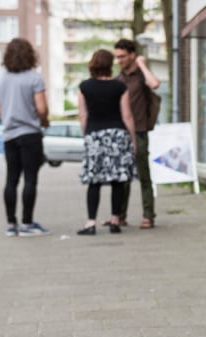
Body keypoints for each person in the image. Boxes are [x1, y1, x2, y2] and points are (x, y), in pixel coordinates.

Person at [0, 37, 50, 237]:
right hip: (30, 134)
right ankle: (27, 223)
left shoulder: (0, 80)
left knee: (11, 179)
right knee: (30, 179)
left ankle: (11, 224)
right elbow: (41, 108)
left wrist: (11, 113)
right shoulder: (34, 78)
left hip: (9, 135)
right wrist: (43, 120)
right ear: (30, 55)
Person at [75, 49, 137, 236]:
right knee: (117, 180)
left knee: (94, 181)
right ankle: (115, 221)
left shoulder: (84, 87)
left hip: (95, 135)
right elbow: (127, 115)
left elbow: (83, 115)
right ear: (110, 65)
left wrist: (87, 135)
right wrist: (132, 140)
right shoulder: (119, 87)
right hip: (117, 135)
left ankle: (90, 222)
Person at [114, 38, 161, 229]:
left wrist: (141, 64)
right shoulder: (119, 79)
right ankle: (120, 215)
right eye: (117, 57)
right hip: (122, 133)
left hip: (140, 131)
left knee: (143, 175)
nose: (119, 60)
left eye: (123, 56)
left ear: (132, 55)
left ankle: (148, 215)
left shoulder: (141, 76)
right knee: (122, 177)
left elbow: (155, 84)